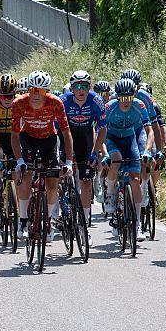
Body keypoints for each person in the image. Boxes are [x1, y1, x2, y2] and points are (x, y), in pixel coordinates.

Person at [11, 71, 73, 243]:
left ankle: (48, 221)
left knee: (52, 182)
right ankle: (23, 220)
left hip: (49, 139)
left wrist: (69, 162)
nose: (37, 95)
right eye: (33, 90)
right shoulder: (19, 104)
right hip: (28, 138)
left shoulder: (56, 103)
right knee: (27, 174)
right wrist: (19, 161)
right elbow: (15, 135)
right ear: (28, 90)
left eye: (41, 91)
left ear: (47, 92)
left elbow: (66, 133)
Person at [100, 78, 153, 241]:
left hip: (130, 138)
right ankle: (109, 193)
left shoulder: (140, 106)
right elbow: (100, 133)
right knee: (116, 159)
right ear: (116, 96)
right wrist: (104, 154)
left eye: (128, 98)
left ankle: (137, 225)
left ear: (134, 95)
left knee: (135, 179)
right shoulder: (109, 107)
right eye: (122, 98)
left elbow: (149, 131)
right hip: (112, 138)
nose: (125, 102)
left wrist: (147, 151)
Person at [59, 70, 107, 224]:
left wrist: (95, 152)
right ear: (72, 88)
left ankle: (84, 222)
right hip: (66, 135)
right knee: (59, 174)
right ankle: (57, 211)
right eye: (77, 86)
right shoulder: (63, 101)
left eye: (85, 86)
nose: (81, 90)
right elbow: (55, 130)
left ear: (90, 87)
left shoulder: (96, 100)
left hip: (85, 137)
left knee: (86, 180)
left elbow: (102, 129)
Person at [0, 73, 17, 220]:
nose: (7, 100)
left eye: (10, 96)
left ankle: (12, 199)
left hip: (13, 137)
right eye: (3, 96)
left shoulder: (20, 102)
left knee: (15, 169)